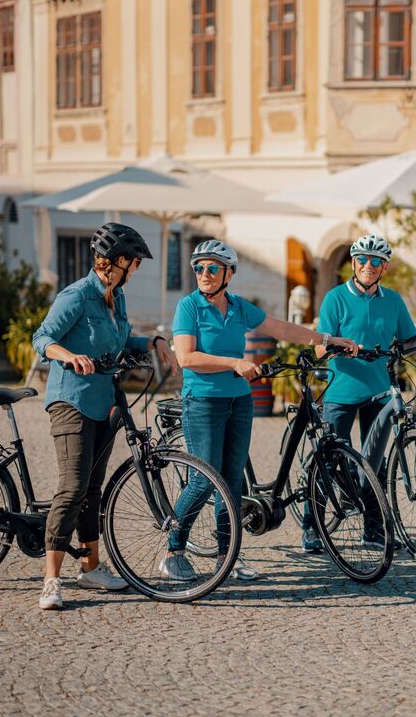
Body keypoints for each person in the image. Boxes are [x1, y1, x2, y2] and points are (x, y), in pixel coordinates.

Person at [162, 239, 358, 582]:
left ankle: (228, 555)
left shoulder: (239, 308)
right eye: (198, 268)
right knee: (204, 481)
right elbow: (186, 357)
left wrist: (328, 340)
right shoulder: (188, 307)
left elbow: (281, 328)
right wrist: (234, 363)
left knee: (232, 482)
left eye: (212, 268)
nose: (204, 274)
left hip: (239, 401)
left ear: (228, 274)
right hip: (204, 401)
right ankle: (173, 550)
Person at [32, 222, 178, 611]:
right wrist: (69, 355)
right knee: (73, 485)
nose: (138, 269)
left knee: (94, 490)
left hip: (104, 403)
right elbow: (42, 339)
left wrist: (154, 340)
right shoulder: (76, 296)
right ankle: (51, 580)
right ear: (117, 262)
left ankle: (91, 567)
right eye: (135, 262)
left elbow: (120, 339)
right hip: (71, 402)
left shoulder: (117, 298)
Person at [308, 234, 416, 552]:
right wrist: (334, 346)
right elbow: (320, 345)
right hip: (341, 390)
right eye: (362, 260)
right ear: (353, 264)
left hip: (380, 390)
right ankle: (312, 527)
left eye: (375, 261)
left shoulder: (393, 300)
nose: (368, 266)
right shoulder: (335, 298)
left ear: (384, 267)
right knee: (328, 461)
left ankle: (373, 531)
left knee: (376, 463)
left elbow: (408, 341)